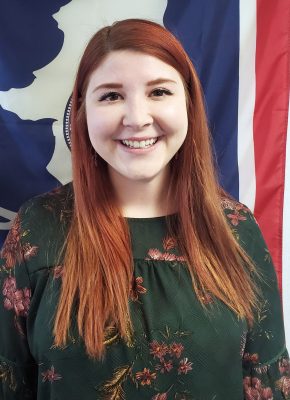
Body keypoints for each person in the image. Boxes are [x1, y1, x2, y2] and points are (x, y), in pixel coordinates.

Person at [0, 18, 289, 400]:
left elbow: (266, 380)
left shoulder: (234, 227)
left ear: (187, 103)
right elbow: (10, 378)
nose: (137, 118)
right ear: (83, 111)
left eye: (158, 92)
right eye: (111, 96)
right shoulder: (37, 228)